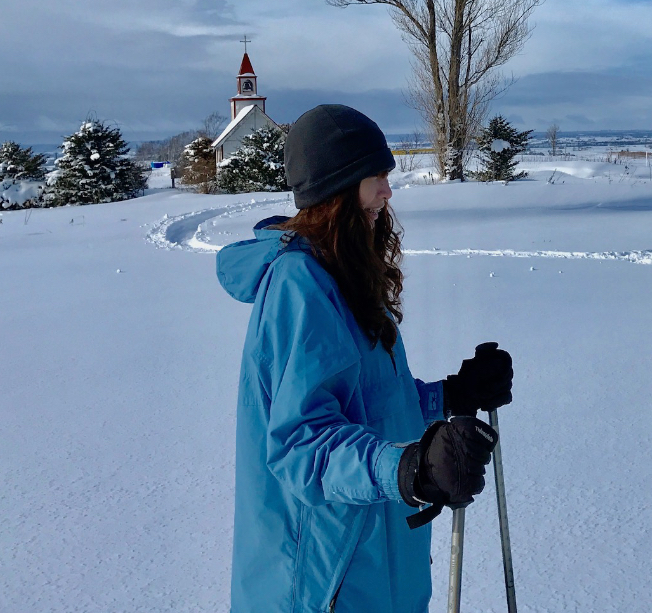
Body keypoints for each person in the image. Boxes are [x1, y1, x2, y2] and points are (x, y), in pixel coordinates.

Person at [217, 104, 514, 613]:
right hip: (322, 579)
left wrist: (451, 395)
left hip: (376, 564)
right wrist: (408, 468)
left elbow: (370, 407)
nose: (387, 191)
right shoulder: (299, 286)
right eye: (375, 176)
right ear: (336, 184)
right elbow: (300, 444)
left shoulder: (344, 272)